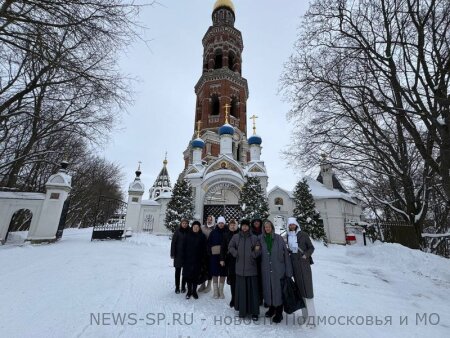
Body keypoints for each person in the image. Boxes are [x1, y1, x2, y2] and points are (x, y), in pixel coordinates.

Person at [260, 220, 293, 323]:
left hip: (278, 270)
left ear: (272, 228)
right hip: (266, 270)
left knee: (278, 292)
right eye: (265, 227)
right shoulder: (261, 239)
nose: (267, 229)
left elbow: (286, 256)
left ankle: (279, 313)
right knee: (268, 290)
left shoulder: (279, 238)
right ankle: (271, 309)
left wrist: (288, 271)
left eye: (269, 227)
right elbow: (257, 254)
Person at [228, 219, 261, 321]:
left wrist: (253, 255)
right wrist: (236, 253)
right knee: (242, 291)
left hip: (251, 269)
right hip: (240, 269)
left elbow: (259, 249)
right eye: (243, 226)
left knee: (253, 292)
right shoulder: (236, 237)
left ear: (249, 227)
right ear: (241, 227)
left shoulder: (254, 238)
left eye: (246, 226)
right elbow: (230, 246)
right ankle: (242, 311)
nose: (245, 227)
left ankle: (254, 312)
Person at [287, 217, 316, 326]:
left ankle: (312, 319)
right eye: (290, 225)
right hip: (294, 266)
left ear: (296, 225)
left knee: (307, 290)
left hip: (303, 265)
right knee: (300, 290)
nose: (292, 226)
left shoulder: (303, 234)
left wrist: (305, 256)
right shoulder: (288, 236)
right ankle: (305, 316)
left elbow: (311, 248)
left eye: (293, 224)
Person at [182, 221, 207, 300]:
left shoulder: (202, 236)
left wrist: (203, 258)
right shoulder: (187, 236)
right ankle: (189, 291)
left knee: (195, 277)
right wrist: (183, 257)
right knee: (188, 276)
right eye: (194, 227)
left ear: (199, 228)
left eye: (197, 227)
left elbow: (204, 248)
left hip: (198, 260)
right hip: (188, 260)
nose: (195, 228)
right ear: (192, 227)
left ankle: (194, 291)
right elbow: (183, 247)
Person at [220, 218, 239, 307]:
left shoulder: (240, 234)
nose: (232, 226)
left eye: (234, 225)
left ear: (236, 225)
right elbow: (223, 248)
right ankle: (233, 298)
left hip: (240, 260)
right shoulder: (225, 235)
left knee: (239, 280)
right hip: (230, 260)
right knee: (232, 280)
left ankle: (239, 298)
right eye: (231, 225)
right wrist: (222, 259)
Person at [207, 216, 228, 299]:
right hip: (214, 256)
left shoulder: (227, 232)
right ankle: (215, 292)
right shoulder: (213, 232)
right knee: (215, 273)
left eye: (222, 223)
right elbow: (208, 243)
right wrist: (210, 252)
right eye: (219, 223)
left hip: (224, 256)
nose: (221, 224)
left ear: (224, 223)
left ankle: (221, 291)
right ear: (217, 223)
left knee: (223, 273)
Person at [170, 218, 189, 294]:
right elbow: (173, 243)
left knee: (185, 272)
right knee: (177, 272)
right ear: (181, 224)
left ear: (187, 224)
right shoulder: (177, 231)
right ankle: (177, 287)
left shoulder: (189, 231)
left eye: (186, 223)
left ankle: (183, 287)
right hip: (178, 254)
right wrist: (172, 253)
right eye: (183, 223)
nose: (184, 224)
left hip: (187, 255)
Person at [198, 215, 215, 293]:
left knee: (210, 268)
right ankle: (202, 284)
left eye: (211, 219)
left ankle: (209, 285)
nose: (209, 221)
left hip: (211, 252)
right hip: (202, 251)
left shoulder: (214, 229)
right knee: (202, 267)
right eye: (208, 219)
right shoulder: (202, 227)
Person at [251, 216, 264, 305]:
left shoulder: (264, 232)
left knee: (263, 279)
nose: (256, 223)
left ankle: (263, 298)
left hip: (263, 259)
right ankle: (256, 298)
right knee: (254, 279)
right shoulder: (250, 232)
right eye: (255, 221)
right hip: (253, 258)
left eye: (258, 221)